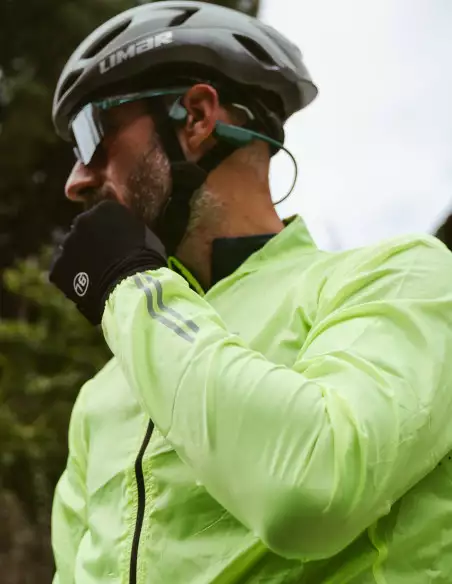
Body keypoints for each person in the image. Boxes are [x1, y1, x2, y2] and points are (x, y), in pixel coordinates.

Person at [49, 2, 452, 583]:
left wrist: (130, 283)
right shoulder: (103, 394)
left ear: (196, 116)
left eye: (92, 134)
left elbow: (312, 492)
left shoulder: (400, 277)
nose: (76, 181)